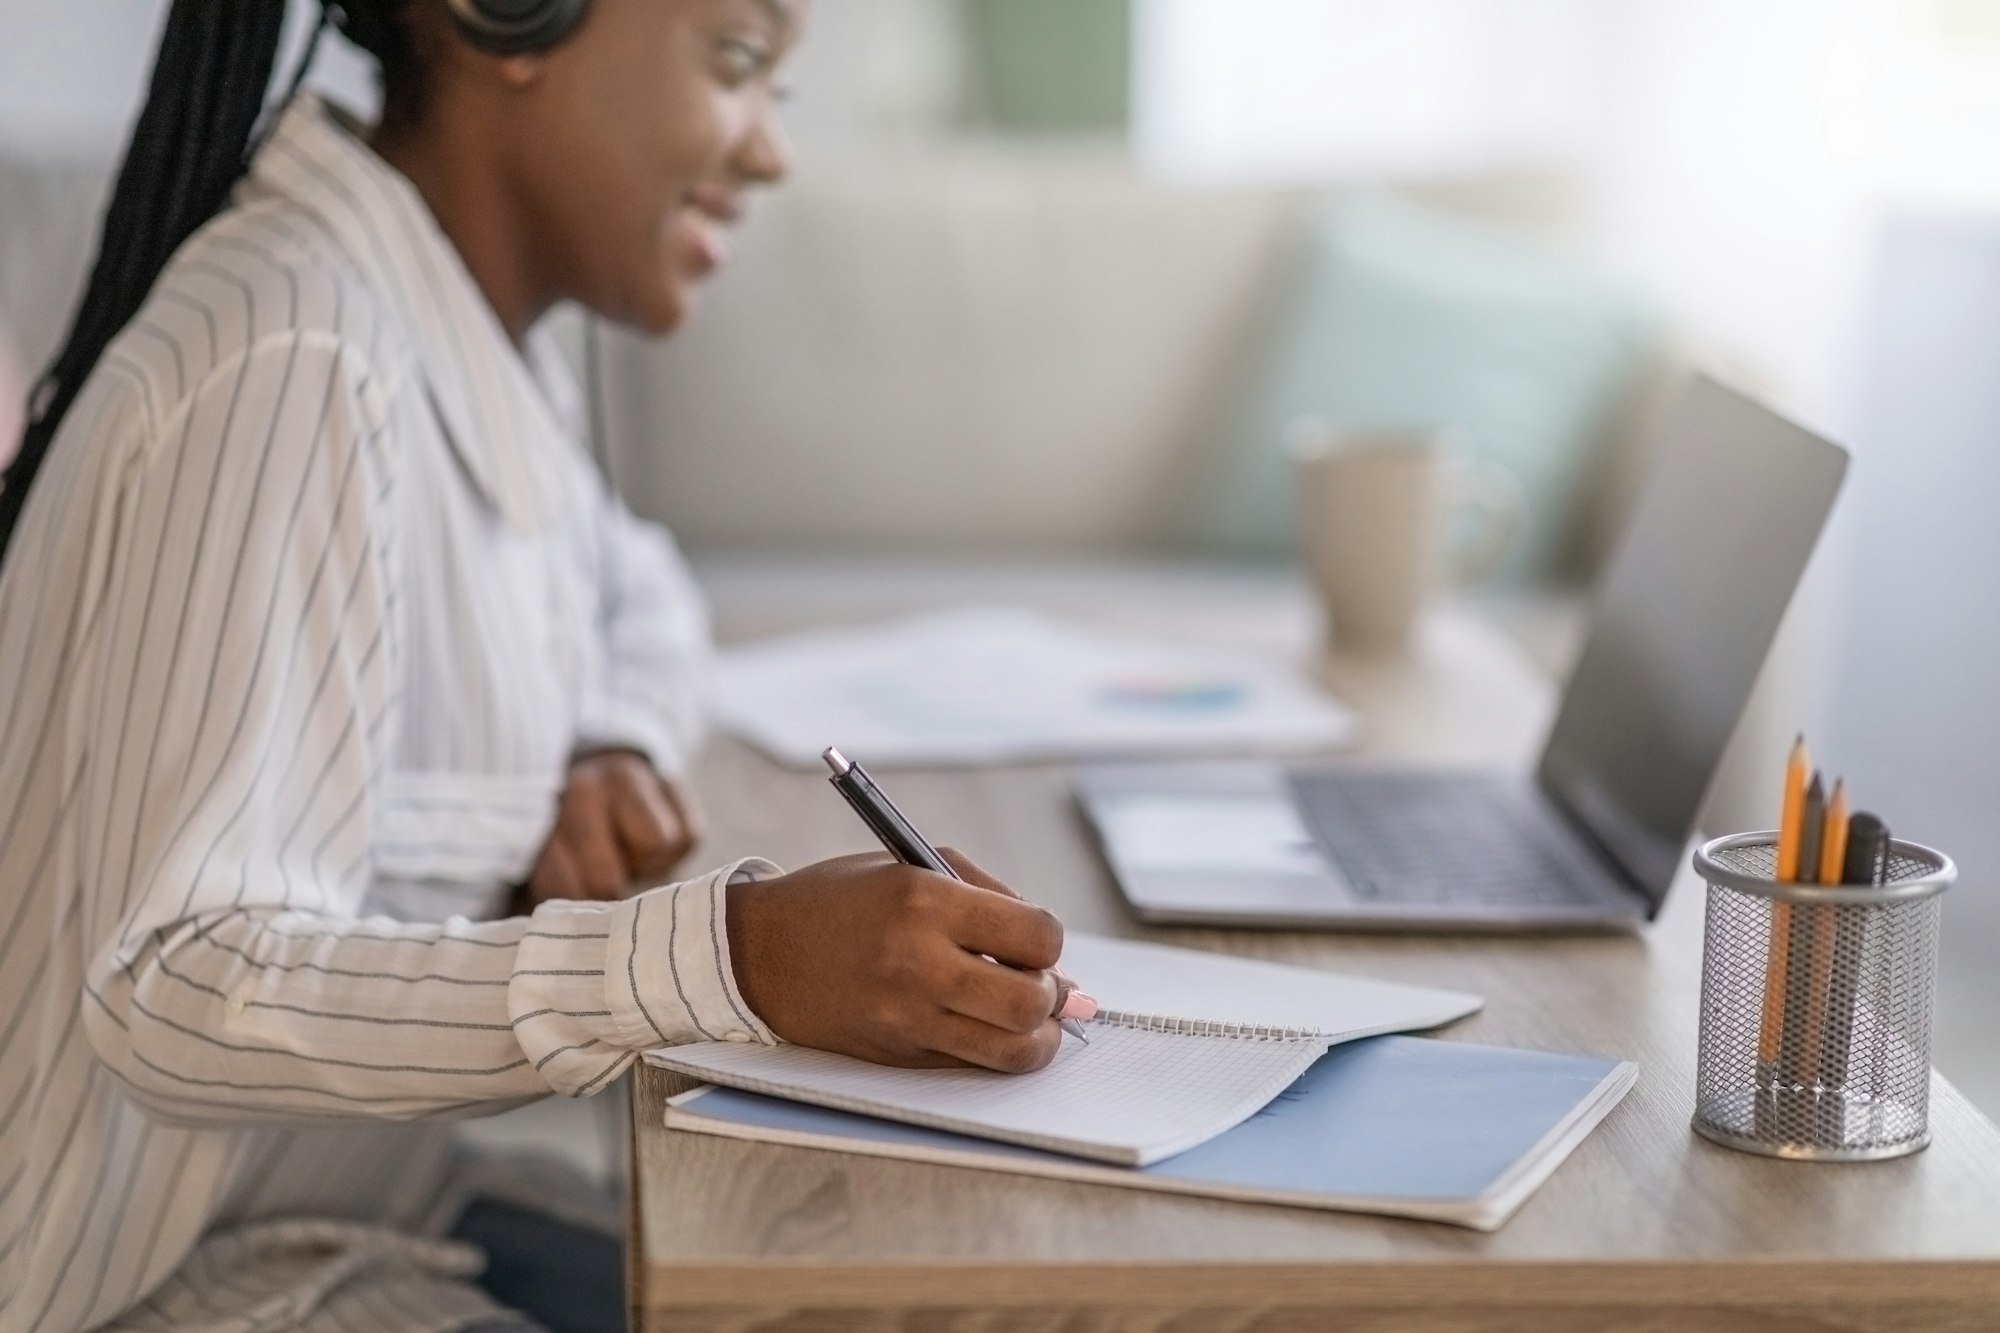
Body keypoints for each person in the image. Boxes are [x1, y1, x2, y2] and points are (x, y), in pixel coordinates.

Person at [0, 3, 1076, 1330]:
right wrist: (725, 957)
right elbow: (175, 982)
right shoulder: (301, 358)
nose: (770, 153)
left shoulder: (466, 324)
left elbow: (644, 590)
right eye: (738, 62)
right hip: (160, 1292)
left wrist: (609, 735)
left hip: (349, 1216)